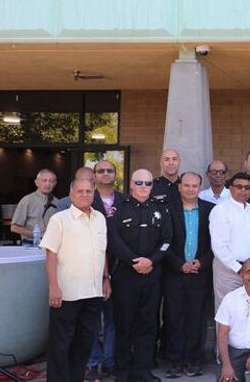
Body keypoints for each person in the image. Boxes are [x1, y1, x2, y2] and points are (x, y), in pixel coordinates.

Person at [41, 178, 112, 382]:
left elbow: (102, 251)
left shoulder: (100, 218)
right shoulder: (60, 219)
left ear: (93, 193)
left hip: (93, 293)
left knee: (83, 345)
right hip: (67, 294)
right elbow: (50, 254)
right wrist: (54, 287)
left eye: (89, 191)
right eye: (80, 191)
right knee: (60, 345)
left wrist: (106, 279)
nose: (84, 194)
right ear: (71, 195)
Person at [106, 169, 173, 382]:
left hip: (152, 275)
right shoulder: (119, 209)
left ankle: (143, 370)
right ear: (131, 185)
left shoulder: (160, 210)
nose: (144, 187)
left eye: (148, 183)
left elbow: (167, 239)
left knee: (147, 324)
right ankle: (123, 371)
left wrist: (151, 260)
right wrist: (134, 261)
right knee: (124, 324)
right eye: (139, 183)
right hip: (126, 275)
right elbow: (113, 239)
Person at [161, 172, 214, 378]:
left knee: (196, 319)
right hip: (174, 272)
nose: (190, 189)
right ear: (179, 187)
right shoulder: (168, 209)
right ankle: (174, 360)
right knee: (174, 318)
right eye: (187, 185)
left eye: (195, 186)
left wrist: (201, 262)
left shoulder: (211, 210)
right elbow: (163, 241)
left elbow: (215, 243)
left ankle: (193, 360)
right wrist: (179, 264)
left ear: (200, 187)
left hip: (200, 273)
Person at [86, 160, 125, 379]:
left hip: (120, 266)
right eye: (101, 171)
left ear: (115, 174)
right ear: (94, 175)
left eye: (110, 170)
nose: (106, 174)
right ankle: (93, 361)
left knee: (113, 319)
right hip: (92, 266)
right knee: (92, 318)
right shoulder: (87, 199)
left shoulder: (124, 199)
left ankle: (110, 361)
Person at [210, 172, 250, 312]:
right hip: (229, 271)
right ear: (230, 188)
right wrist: (238, 268)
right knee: (227, 312)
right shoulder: (220, 210)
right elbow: (219, 246)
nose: (243, 190)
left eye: (247, 187)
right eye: (239, 187)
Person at [11, 168, 60, 241]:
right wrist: (37, 234)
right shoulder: (27, 200)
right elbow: (14, 228)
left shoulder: (58, 202)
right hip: (30, 244)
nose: (48, 184)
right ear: (36, 182)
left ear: (55, 183)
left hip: (52, 244)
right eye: (44, 181)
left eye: (51, 181)